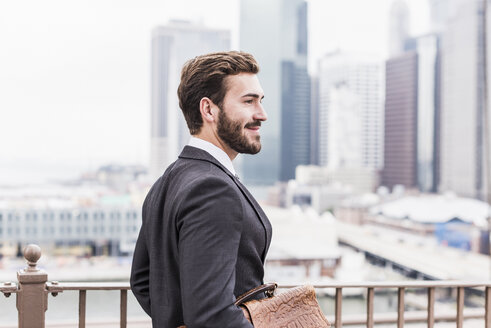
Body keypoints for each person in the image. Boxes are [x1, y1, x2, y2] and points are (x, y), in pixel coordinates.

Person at [130, 51, 273, 328]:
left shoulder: (166, 181)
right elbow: (212, 316)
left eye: (261, 101)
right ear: (209, 109)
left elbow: (142, 281)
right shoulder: (213, 189)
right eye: (249, 101)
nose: (262, 114)